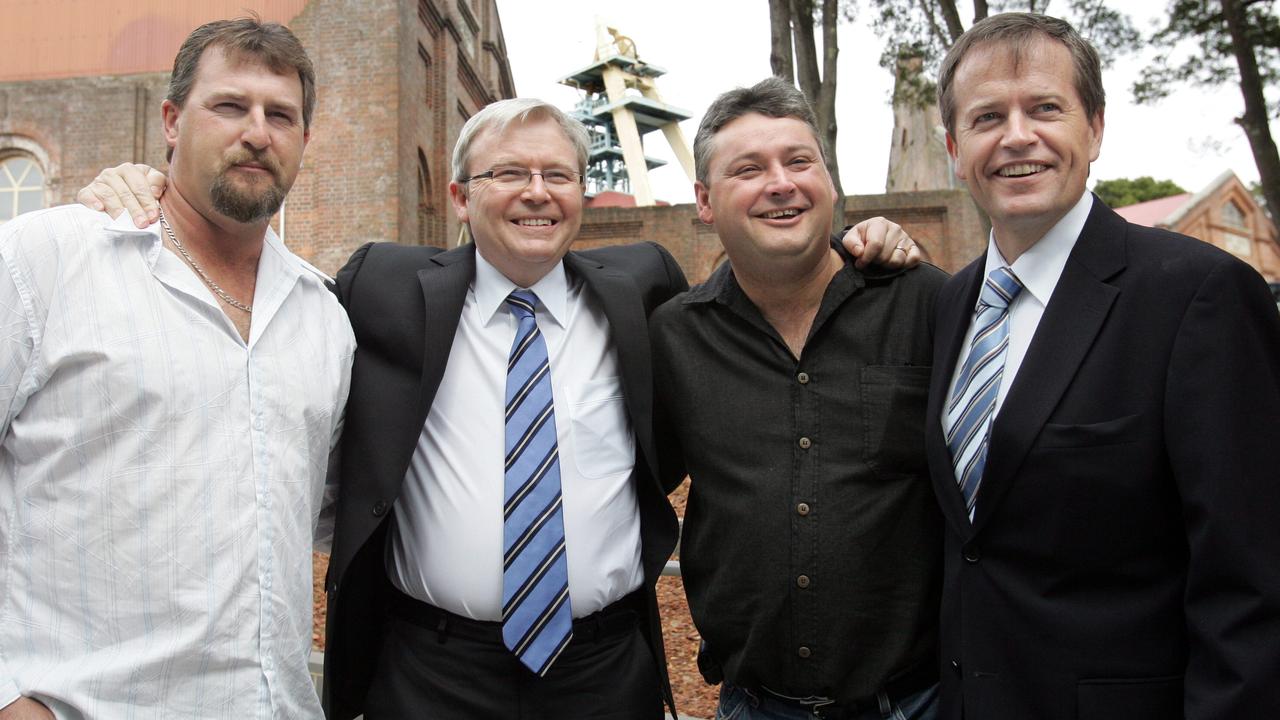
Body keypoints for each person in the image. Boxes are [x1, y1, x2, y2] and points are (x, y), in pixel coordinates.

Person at [79, 102, 921, 720]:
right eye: (509, 173)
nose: (536, 193)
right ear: (458, 194)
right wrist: (159, 189)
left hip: (604, 672)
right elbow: (252, 280)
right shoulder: (380, 288)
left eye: (558, 174)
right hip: (432, 673)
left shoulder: (641, 288)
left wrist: (866, 238)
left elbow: (763, 285)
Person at [925, 13, 1280, 719]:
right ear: (956, 150)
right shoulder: (953, 301)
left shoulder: (1196, 296)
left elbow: (1250, 579)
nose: (1017, 135)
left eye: (1045, 108)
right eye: (988, 116)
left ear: (1095, 129)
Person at [0, 18, 354, 720]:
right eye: (229, 106)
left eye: (280, 115)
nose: (257, 131)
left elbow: (326, 514)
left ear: (305, 142)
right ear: (170, 120)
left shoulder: (324, 317)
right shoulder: (46, 259)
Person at [651, 77, 945, 720]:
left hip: (917, 701)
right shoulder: (674, 336)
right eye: (748, 169)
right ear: (704, 200)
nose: (780, 183)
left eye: (799, 161)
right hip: (758, 704)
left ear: (829, 182)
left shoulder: (927, 305)